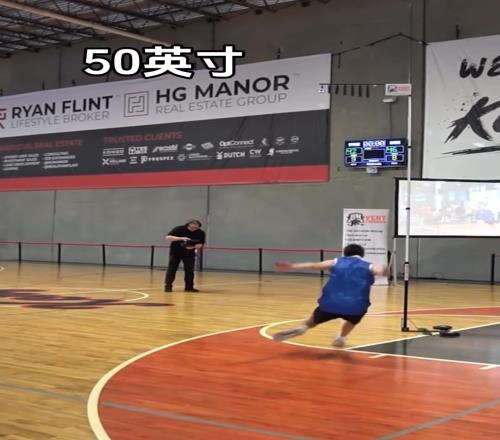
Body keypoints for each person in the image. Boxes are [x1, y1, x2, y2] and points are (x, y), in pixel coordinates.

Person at [272, 244, 388, 347]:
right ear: (362, 255)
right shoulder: (368, 266)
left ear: (345, 253)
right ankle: (341, 338)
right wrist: (385, 271)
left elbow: (313, 265)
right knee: (352, 320)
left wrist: (292, 266)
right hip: (355, 306)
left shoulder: (335, 262)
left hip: (330, 303)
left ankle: (303, 328)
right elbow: (380, 271)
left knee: (312, 321)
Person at [164, 219, 205, 292]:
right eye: (192, 227)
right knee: (172, 269)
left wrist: (194, 246)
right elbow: (168, 237)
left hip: (189, 253)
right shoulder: (179, 229)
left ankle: (189, 287)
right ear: (188, 225)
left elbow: (200, 244)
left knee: (189, 270)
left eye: (196, 227)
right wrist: (182, 238)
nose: (193, 229)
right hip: (176, 252)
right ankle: (168, 286)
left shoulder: (201, 233)